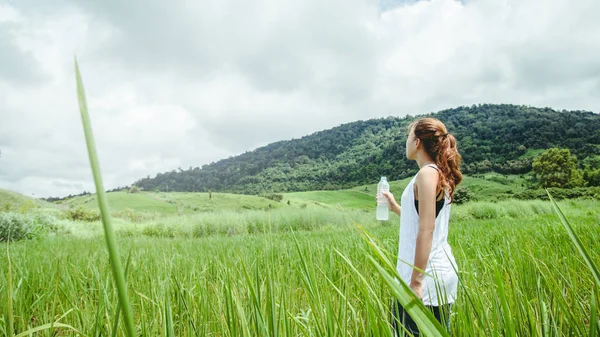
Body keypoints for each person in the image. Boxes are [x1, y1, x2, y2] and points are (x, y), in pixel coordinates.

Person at [380, 117, 463, 336]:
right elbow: (421, 219)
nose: (406, 142)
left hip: (425, 278)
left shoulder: (427, 173)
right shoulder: (434, 172)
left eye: (408, 136)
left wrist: (416, 282)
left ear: (417, 142)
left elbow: (427, 229)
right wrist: (396, 207)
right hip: (432, 275)